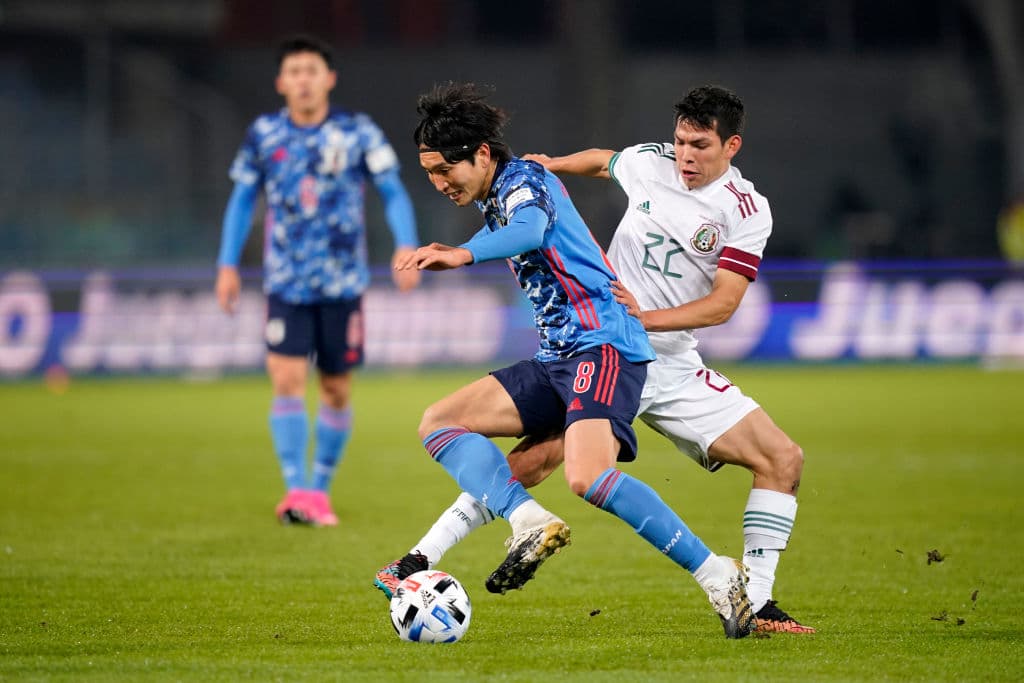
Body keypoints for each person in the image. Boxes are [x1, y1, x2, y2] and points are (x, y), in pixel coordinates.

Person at [377, 85, 813, 634]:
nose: (685, 154)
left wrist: (464, 252)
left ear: (732, 146)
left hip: (621, 345)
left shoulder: (744, 210)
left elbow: (723, 303)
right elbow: (603, 162)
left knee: (768, 461)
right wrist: (553, 163)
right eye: (679, 140)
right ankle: (449, 550)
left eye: (699, 144)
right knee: (468, 435)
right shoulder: (636, 165)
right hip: (571, 350)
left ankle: (742, 589)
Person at [214, 35, 420, 527]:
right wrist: (226, 264)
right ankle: (296, 490)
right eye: (294, 71)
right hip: (285, 283)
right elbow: (243, 200)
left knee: (335, 389)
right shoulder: (263, 134)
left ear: (329, 78)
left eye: (312, 70)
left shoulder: (357, 132)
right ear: (281, 82)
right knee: (285, 380)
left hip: (342, 285)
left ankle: (320, 491)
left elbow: (393, 191)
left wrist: (406, 242)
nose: (303, 79)